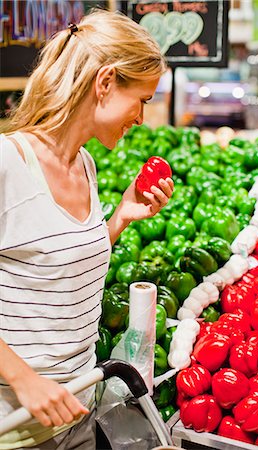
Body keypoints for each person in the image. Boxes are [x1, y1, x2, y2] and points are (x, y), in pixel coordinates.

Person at [0, 9, 173, 450]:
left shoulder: (85, 164)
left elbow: (60, 275)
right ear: (105, 82)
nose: (141, 117)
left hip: (78, 414)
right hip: (14, 427)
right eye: (143, 99)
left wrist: (118, 219)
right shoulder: (9, 163)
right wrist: (25, 380)